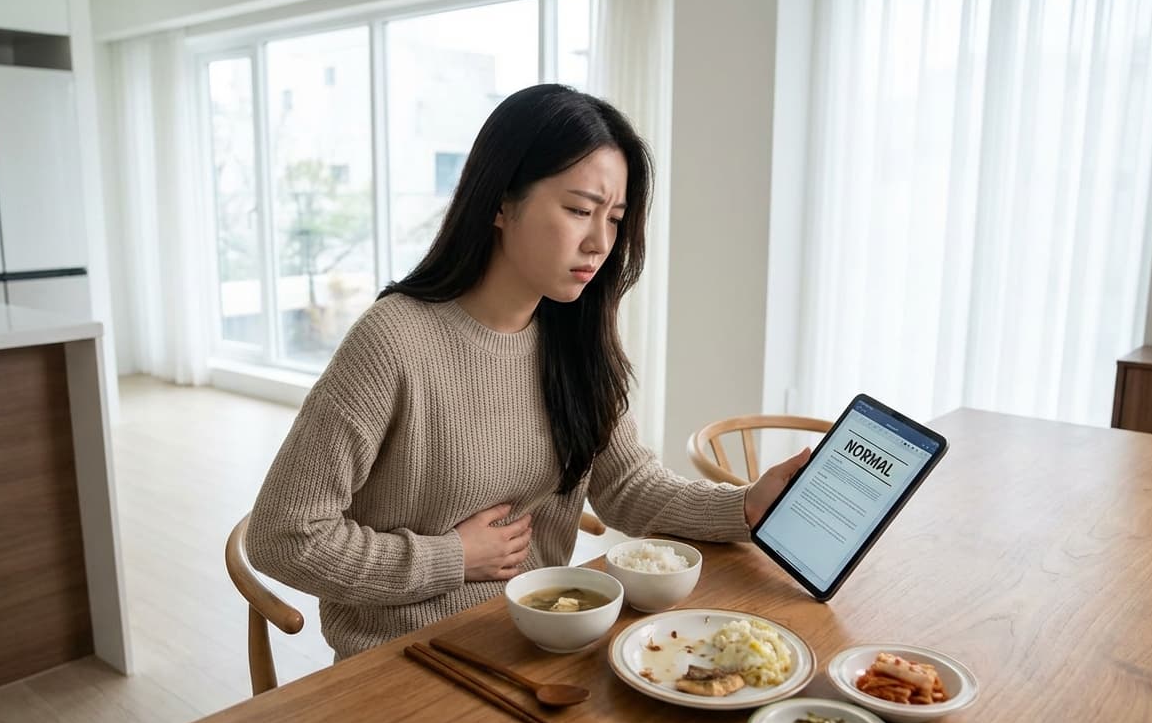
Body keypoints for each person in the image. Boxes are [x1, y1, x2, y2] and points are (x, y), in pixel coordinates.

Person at [246, 83, 810, 660]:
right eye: (578, 210)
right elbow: (284, 537)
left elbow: (627, 486)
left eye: (614, 219)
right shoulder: (393, 341)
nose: (600, 242)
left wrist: (744, 506)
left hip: (542, 640)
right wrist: (452, 558)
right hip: (409, 659)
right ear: (500, 202)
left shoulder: (575, 335)